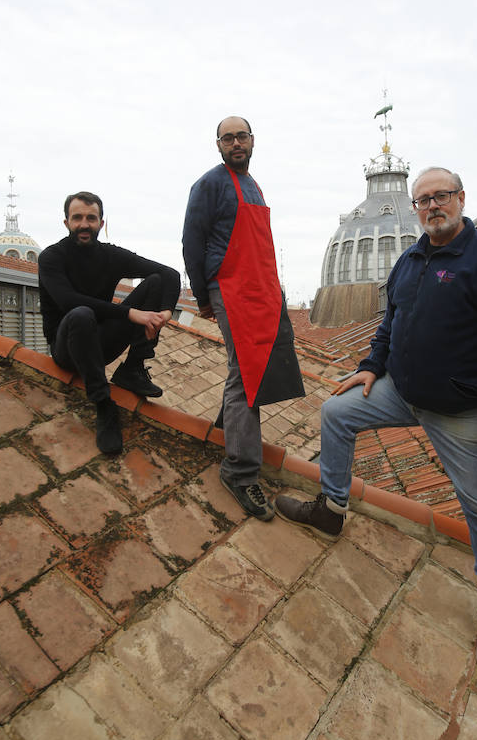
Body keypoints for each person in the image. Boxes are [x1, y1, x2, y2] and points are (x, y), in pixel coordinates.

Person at [275, 167, 477, 673]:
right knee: (335, 412)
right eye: (423, 200)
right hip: (401, 393)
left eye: (440, 196)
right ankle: (331, 509)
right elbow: (390, 322)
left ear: (461, 198)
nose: (431, 206)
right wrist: (372, 366)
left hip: (462, 410)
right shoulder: (411, 259)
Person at [183, 116, 305, 520]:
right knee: (246, 374)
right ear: (218, 145)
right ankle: (239, 470)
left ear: (253, 141)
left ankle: (227, 431)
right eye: (228, 137)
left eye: (242, 136)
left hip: (259, 289)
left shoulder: (253, 185)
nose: (236, 143)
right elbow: (191, 243)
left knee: (262, 366)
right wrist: (204, 296)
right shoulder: (209, 184)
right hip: (229, 287)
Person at [39, 191, 180, 455]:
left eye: (91, 218)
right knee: (81, 314)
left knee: (156, 282)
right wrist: (130, 314)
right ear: (66, 222)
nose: (84, 224)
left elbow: (169, 274)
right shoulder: (52, 257)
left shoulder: (110, 255)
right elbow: (68, 301)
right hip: (68, 349)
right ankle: (103, 403)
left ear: (101, 224)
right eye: (77, 217)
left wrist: (165, 314)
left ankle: (133, 369)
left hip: (101, 343)